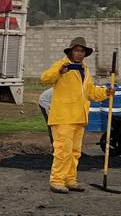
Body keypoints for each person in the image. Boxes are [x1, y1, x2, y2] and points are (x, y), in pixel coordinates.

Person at [39, 36, 111, 193]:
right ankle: (57, 181)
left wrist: (106, 92)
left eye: (82, 51)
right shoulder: (62, 65)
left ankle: (70, 180)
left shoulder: (85, 70)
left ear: (85, 54)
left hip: (79, 117)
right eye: (76, 50)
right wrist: (59, 72)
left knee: (74, 152)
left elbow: (90, 92)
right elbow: (45, 78)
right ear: (70, 51)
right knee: (62, 151)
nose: (79, 53)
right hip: (63, 117)